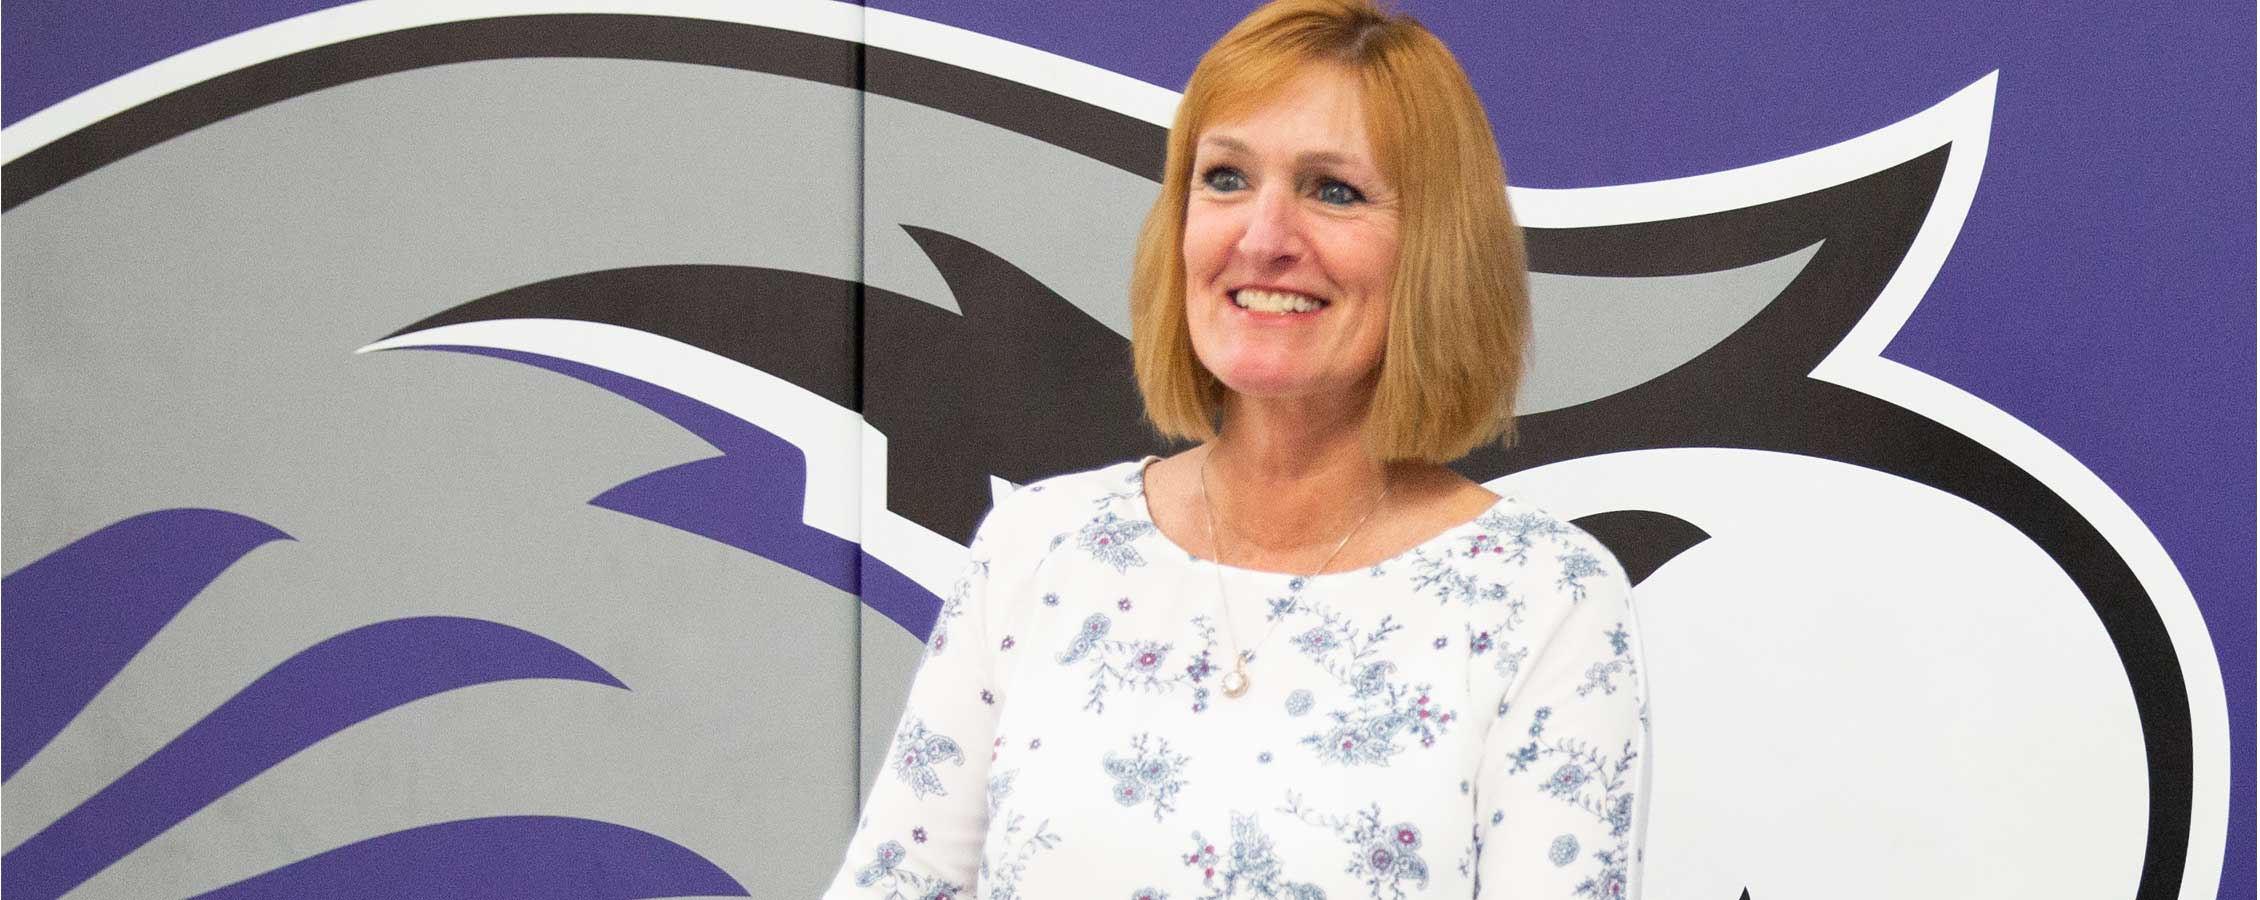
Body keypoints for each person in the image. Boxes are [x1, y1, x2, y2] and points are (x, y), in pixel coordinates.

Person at [823, 0, 1649, 896]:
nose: (1263, 239)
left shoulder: (1542, 597)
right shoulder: (1037, 546)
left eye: (1333, 190)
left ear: (1436, 250)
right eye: (1223, 179)